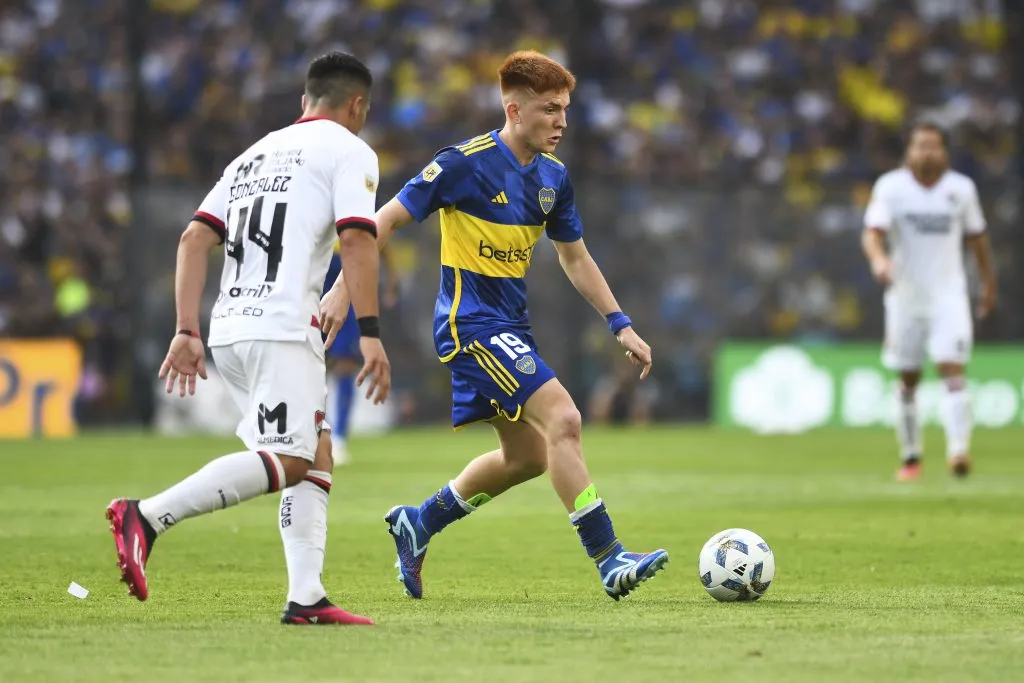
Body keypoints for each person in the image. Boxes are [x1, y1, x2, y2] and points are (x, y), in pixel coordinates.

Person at [322, 50, 668, 601]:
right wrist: (343, 288)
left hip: (509, 327)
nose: (561, 122)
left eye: (565, 110)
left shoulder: (554, 178)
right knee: (564, 418)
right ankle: (610, 558)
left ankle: (419, 522)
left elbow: (574, 257)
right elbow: (383, 219)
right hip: (469, 325)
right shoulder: (462, 163)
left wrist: (620, 323)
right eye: (550, 110)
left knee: (528, 457)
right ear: (514, 109)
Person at [105, 52, 391, 625]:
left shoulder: (252, 155)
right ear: (357, 105)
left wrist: (186, 328)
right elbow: (358, 241)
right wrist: (371, 334)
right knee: (288, 459)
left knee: (316, 451)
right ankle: (146, 516)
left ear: (303, 101)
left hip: (229, 328)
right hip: (282, 326)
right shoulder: (351, 151)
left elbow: (192, 239)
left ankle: (306, 597)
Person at [862, 121, 997, 482]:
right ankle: (911, 457)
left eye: (933, 146)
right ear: (909, 151)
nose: (927, 152)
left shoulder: (960, 189)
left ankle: (958, 451)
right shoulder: (891, 188)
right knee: (908, 377)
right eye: (920, 145)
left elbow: (978, 239)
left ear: (945, 152)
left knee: (952, 368)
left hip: (948, 296)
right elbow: (872, 233)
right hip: (905, 298)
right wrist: (879, 259)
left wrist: (987, 282)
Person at [321, 243, 399, 465]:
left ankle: (338, 438)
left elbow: (377, 234)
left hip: (348, 264)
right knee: (308, 359)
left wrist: (391, 280)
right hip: (316, 265)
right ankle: (309, 435)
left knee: (345, 362)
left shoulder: (363, 208)